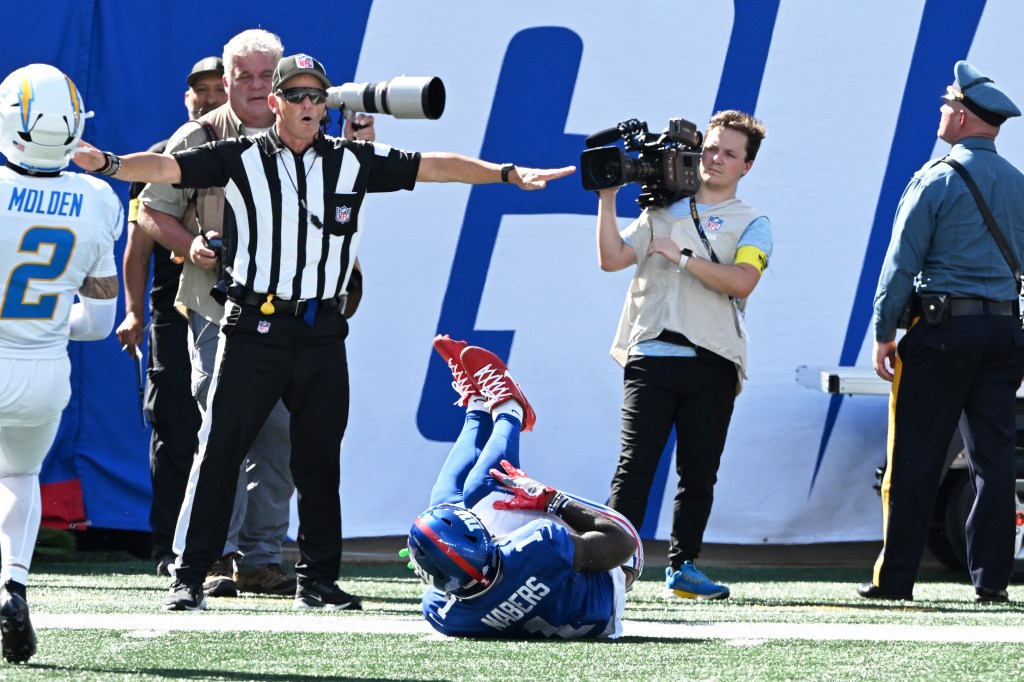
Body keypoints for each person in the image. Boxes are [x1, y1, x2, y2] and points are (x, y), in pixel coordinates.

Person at [72, 52, 575, 612]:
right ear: (276, 103)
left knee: (317, 459)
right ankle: (189, 576)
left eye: (317, 95)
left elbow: (433, 166)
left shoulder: (351, 160)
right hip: (254, 326)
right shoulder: (240, 156)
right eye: (297, 95)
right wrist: (108, 163)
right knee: (220, 452)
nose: (309, 104)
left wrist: (506, 174)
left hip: (321, 331)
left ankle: (317, 580)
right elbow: (166, 169)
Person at [136, 30, 370, 599]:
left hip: (293, 316)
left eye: (269, 76)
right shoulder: (201, 134)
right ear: (228, 80)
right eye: (246, 76)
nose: (259, 86)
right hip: (218, 308)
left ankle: (262, 557)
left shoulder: (313, 137)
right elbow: (149, 209)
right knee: (224, 433)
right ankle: (212, 556)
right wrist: (191, 244)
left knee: (284, 435)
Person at [861, 61, 1024, 604]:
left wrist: (884, 331)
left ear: (963, 117)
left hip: (941, 330)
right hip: (1003, 332)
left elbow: (900, 264)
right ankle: (992, 581)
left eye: (948, 104)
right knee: (993, 461)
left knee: (915, 456)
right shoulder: (1018, 184)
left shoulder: (936, 177)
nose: (942, 111)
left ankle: (895, 581)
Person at [596, 110, 770, 600]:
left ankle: (683, 567)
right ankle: (611, 568)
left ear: (746, 166)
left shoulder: (753, 222)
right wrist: (607, 199)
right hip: (651, 354)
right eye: (711, 148)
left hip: (713, 359)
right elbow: (611, 259)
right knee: (634, 466)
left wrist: (684, 257)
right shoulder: (659, 213)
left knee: (698, 471)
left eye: (729, 153)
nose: (715, 159)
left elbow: (743, 281)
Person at [0, 64, 122, 663]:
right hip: (45, 369)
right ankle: (12, 584)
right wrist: (45, 327)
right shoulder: (97, 200)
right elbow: (97, 322)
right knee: (18, 476)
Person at [407, 336, 642, 639]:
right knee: (485, 490)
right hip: (614, 566)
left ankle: (477, 404)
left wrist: (431, 558)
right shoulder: (537, 546)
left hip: (571, 609)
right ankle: (511, 406)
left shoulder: (443, 614)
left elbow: (450, 584)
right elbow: (624, 545)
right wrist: (553, 500)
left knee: (443, 505)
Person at [115, 56, 226, 578]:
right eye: (200, 90)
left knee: (232, 429)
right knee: (176, 426)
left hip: (235, 309)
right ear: (187, 98)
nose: (208, 98)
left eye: (217, 88)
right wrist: (133, 311)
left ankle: (227, 548)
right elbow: (137, 248)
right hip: (172, 312)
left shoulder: (255, 152)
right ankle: (168, 546)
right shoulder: (161, 157)